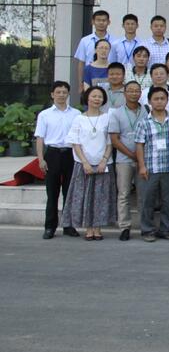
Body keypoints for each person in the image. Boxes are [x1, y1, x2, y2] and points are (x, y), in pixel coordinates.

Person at [62, 86, 116, 241]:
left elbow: (110, 141)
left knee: (100, 197)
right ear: (87, 98)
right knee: (84, 196)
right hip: (83, 164)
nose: (97, 99)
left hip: (103, 164)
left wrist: (104, 160)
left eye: (100, 96)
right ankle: (88, 229)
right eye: (94, 96)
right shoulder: (79, 118)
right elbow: (75, 142)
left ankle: (98, 229)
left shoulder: (108, 118)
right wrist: (85, 162)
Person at [134, 86, 169, 242]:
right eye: (156, 99)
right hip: (151, 167)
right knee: (148, 200)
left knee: (168, 201)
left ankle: (165, 229)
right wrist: (142, 166)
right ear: (149, 101)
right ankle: (147, 230)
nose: (159, 101)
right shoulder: (143, 122)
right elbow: (139, 145)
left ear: (167, 100)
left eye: (162, 99)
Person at [106, 80, 146, 241]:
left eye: (137, 91)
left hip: (143, 160)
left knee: (143, 194)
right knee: (123, 194)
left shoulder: (146, 111)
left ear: (140, 93)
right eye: (130, 91)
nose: (134, 93)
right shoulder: (116, 113)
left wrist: (140, 157)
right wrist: (132, 154)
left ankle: (145, 226)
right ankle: (124, 227)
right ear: (124, 93)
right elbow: (114, 140)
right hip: (124, 159)